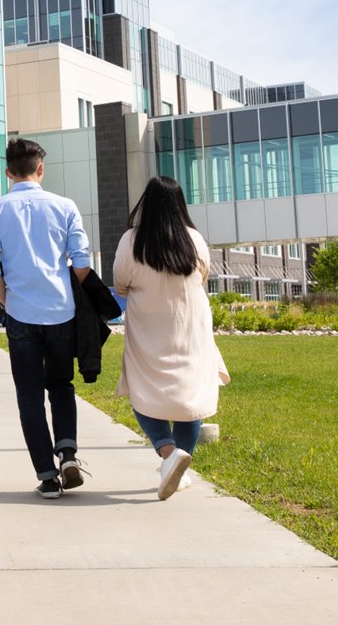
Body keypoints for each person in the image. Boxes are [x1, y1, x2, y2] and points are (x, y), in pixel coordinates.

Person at [0, 138, 94, 499]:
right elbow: (83, 262)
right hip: (61, 311)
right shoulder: (65, 206)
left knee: (29, 396)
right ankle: (68, 453)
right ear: (40, 169)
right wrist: (61, 286)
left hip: (21, 313)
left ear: (8, 172)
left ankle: (46, 475)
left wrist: (8, 300)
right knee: (61, 386)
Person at [112, 177, 231, 500]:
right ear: (180, 204)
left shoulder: (132, 241)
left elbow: (120, 283)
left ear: (146, 204)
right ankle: (180, 462)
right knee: (190, 396)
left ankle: (168, 454)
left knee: (142, 388)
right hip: (190, 327)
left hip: (149, 328)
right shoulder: (194, 239)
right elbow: (203, 276)